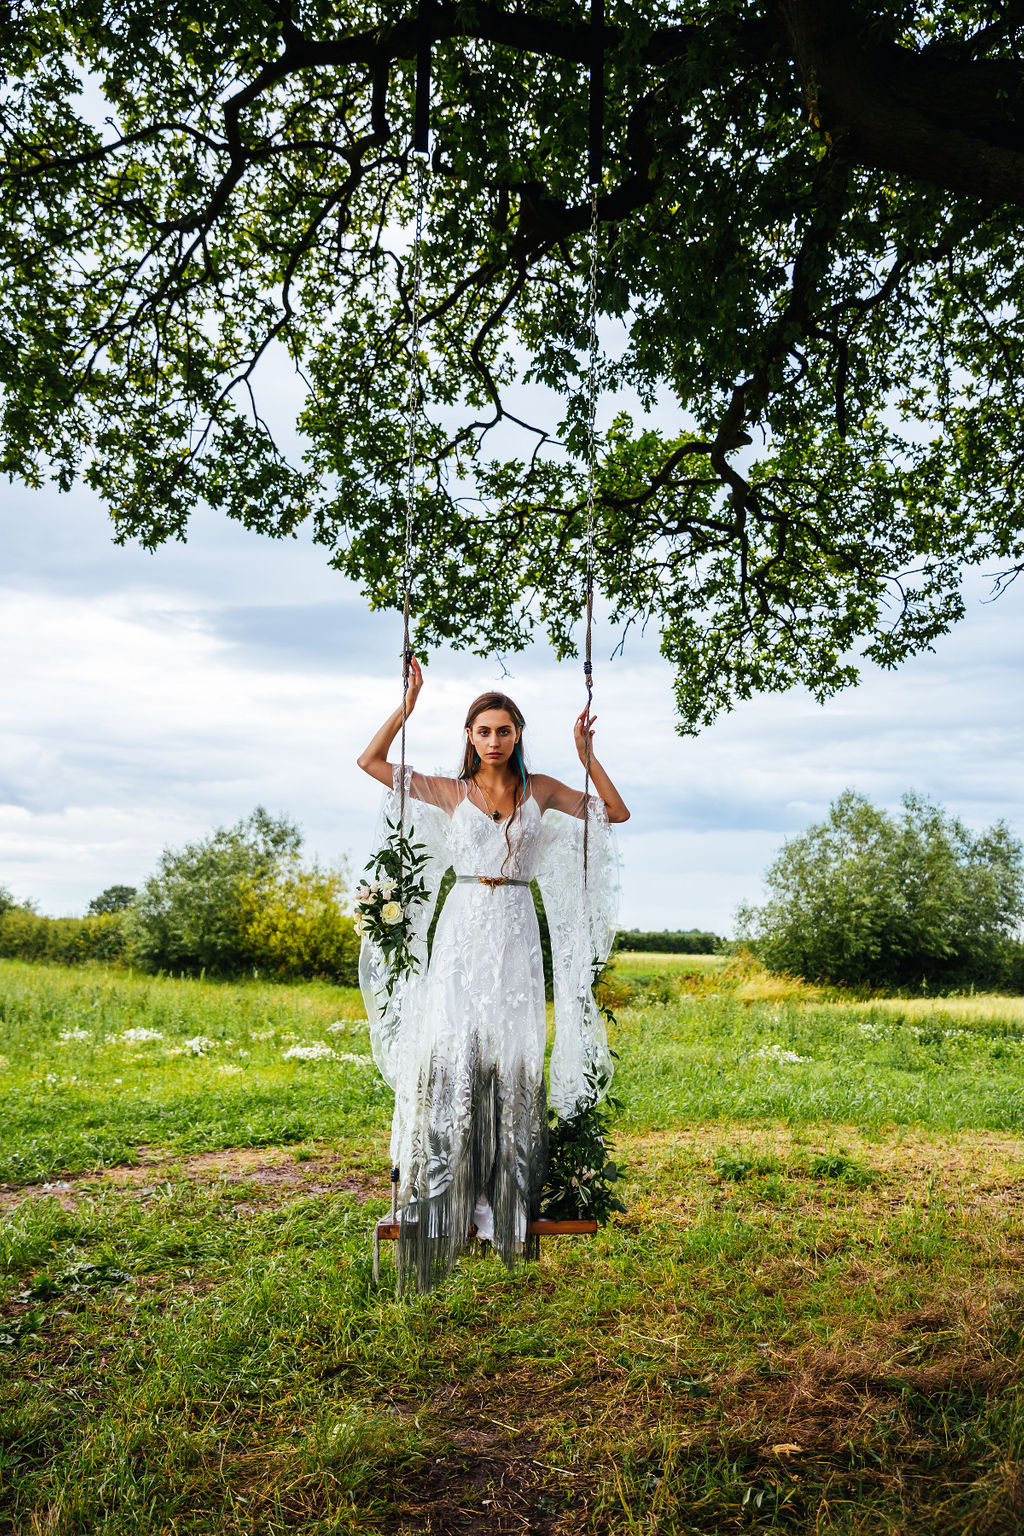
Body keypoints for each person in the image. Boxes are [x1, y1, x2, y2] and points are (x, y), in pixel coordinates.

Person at [356, 658, 629, 1292]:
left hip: (514, 929)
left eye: (504, 730)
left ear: (518, 735)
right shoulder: (452, 792)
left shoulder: (544, 791)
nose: (495, 740)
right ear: (470, 736)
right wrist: (406, 707)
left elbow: (613, 814)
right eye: (484, 731)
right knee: (456, 1049)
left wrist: (586, 753)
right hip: (462, 925)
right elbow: (370, 764)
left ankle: (502, 1200)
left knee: (511, 1054)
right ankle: (447, 1196)